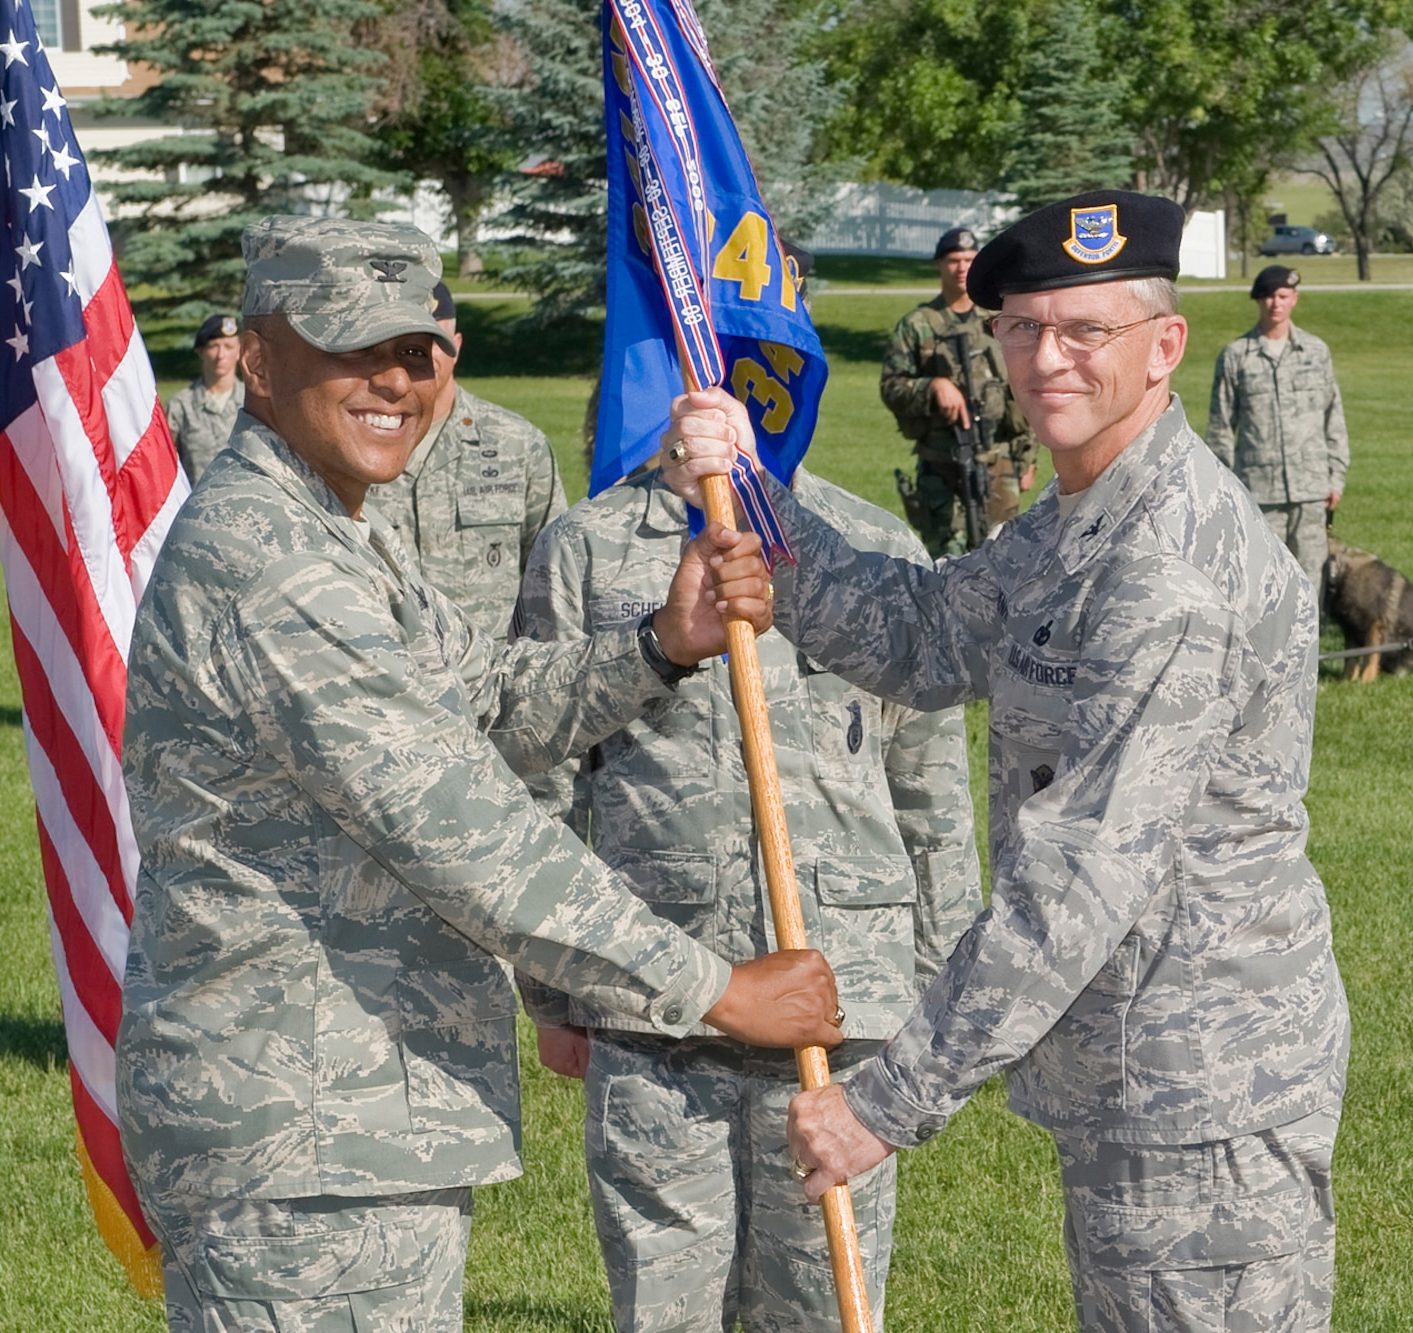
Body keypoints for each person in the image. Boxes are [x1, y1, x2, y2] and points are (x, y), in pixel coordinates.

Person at [117, 217, 845, 1333]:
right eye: (352, 348)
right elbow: (458, 828)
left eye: (414, 351)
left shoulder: (335, 528)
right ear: (257, 358)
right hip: (301, 1134)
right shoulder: (265, 557)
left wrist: (658, 642)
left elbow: (485, 704)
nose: (393, 381)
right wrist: (715, 988)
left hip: (344, 1121)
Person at [663, 190, 1349, 1333]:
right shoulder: (1086, 512)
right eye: (1021, 329)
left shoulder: (1162, 569)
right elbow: (930, 635)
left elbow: (1081, 875)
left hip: (1202, 1087)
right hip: (1140, 1076)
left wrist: (885, 1101)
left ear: (1164, 345)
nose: (1044, 359)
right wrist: (753, 492)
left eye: (1085, 332)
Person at [514, 465, 981, 1333]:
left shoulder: (871, 546)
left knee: (823, 1306)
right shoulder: (585, 546)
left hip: (837, 1006)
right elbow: (541, 775)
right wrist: (550, 991)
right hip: (656, 1004)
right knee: (665, 1309)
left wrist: (940, 999)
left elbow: (930, 791)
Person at [367, 281, 567, 634]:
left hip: (488, 674)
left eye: (435, 342)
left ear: (456, 347)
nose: (424, 357)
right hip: (388, 671)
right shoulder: (356, 445)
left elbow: (554, 573)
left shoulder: (518, 445)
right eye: (410, 345)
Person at [881, 226, 1038, 555]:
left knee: (1004, 559)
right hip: (941, 466)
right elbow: (891, 386)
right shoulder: (918, 324)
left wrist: (1027, 459)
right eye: (953, 259)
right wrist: (932, 386)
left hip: (1000, 463)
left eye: (970, 259)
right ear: (938, 265)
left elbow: (1025, 392)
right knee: (946, 562)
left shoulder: (1000, 321)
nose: (962, 266)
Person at [1204, 264, 1349, 600]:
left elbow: (1333, 418)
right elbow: (1220, 427)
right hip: (1259, 492)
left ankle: (1309, 650)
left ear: (1294, 299)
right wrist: (1229, 485)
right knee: (1261, 580)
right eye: (1268, 296)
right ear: (1258, 301)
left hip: (1311, 487)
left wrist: (1335, 477)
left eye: (1283, 296)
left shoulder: (1315, 352)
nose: (1275, 303)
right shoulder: (1236, 357)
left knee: (1311, 579)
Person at [164, 314, 243, 484]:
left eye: (229, 347)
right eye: (214, 347)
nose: (221, 355)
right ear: (201, 352)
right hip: (195, 506)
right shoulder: (180, 407)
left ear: (240, 351)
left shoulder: (254, 403)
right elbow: (164, 466)